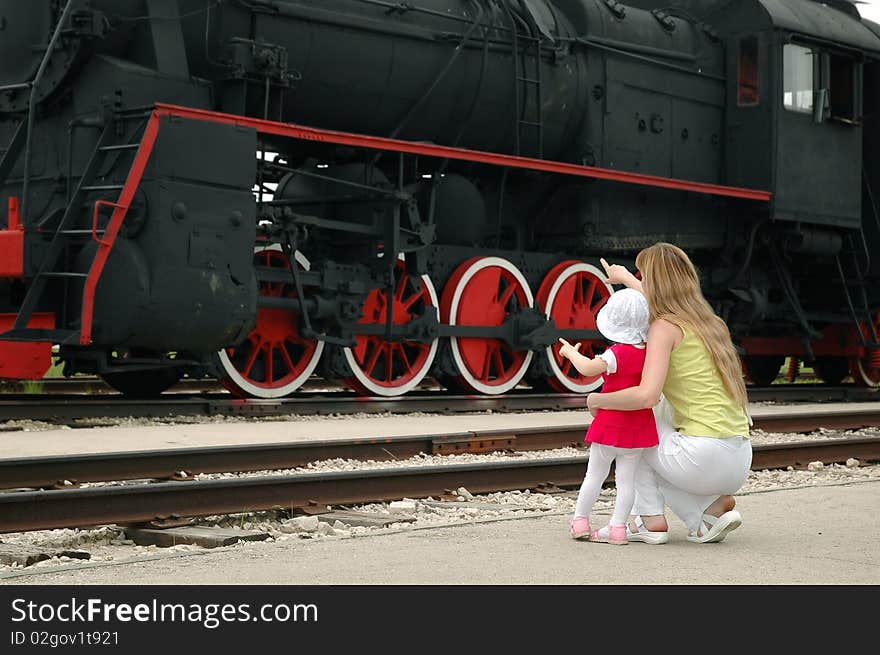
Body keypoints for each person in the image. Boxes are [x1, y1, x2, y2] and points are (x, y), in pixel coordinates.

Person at [587, 243, 753, 544]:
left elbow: (646, 396)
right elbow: (661, 301)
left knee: (635, 432)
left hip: (704, 458)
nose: (642, 284)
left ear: (656, 285)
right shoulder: (711, 323)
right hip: (740, 459)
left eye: (644, 278)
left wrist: (598, 399)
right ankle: (708, 509)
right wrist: (625, 277)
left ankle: (654, 521)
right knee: (657, 426)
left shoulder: (664, 328)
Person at [559, 288, 658, 545]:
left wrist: (570, 353)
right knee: (627, 481)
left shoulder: (616, 353)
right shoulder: (650, 353)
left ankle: (580, 521)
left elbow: (588, 368)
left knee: (595, 475)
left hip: (610, 425)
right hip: (637, 427)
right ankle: (617, 529)